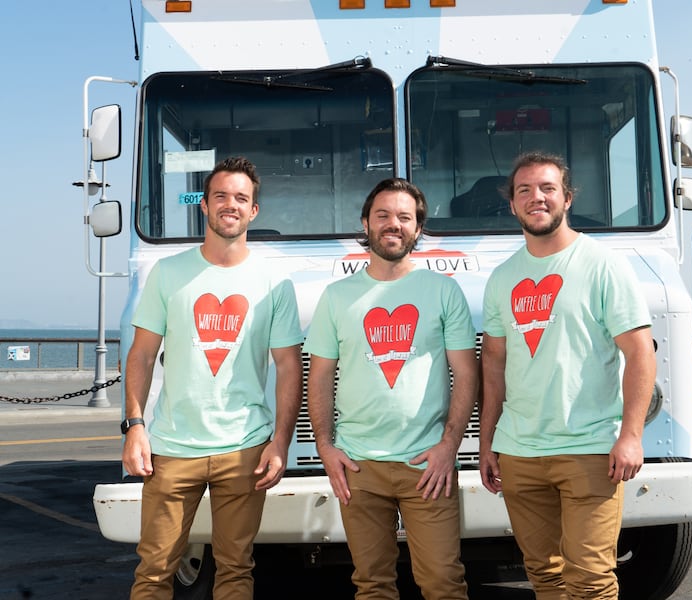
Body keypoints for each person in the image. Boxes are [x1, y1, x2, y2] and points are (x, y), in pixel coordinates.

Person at [122, 156, 304, 599]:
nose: (230, 204)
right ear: (204, 205)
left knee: (236, 569)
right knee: (153, 572)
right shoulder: (167, 273)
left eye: (241, 198)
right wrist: (135, 427)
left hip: (245, 448)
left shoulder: (275, 282)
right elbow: (142, 355)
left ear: (253, 210)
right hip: (171, 448)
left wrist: (280, 442)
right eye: (220, 196)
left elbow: (288, 366)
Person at [479, 151, 657, 600]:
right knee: (544, 575)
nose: (536, 197)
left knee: (591, 579)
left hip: (590, 449)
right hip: (519, 452)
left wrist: (631, 435)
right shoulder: (502, 278)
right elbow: (494, 365)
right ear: (512, 205)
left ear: (567, 198)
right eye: (524, 190)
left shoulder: (603, 264)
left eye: (547, 188)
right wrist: (488, 443)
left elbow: (640, 353)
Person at [304, 178, 478, 600]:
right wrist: (325, 447)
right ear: (366, 223)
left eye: (404, 217)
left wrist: (449, 446)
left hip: (428, 464)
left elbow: (466, 373)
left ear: (418, 228)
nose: (393, 224)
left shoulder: (443, 290)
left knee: (443, 582)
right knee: (372, 585)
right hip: (358, 466)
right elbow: (320, 376)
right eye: (382, 215)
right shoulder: (336, 297)